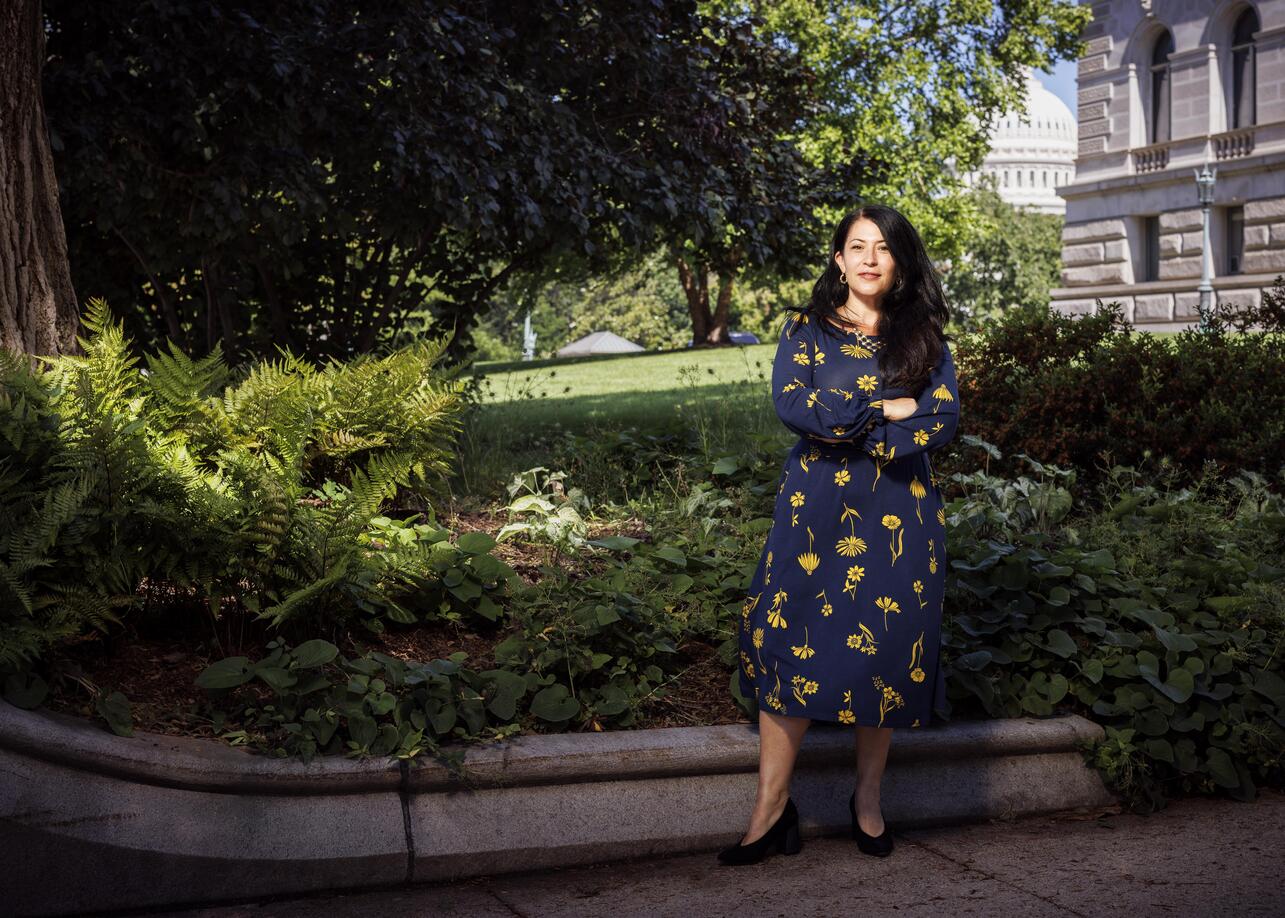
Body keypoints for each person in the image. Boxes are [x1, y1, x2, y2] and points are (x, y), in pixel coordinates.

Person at [718, 204, 960, 866]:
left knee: (882, 650)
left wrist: (849, 419)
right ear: (837, 259)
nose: (869, 258)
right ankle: (769, 812)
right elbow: (792, 406)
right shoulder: (804, 330)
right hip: (813, 513)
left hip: (900, 515)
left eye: (882, 247)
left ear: (899, 261)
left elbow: (940, 418)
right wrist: (884, 406)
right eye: (856, 246)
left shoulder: (923, 335)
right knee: (788, 641)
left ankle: (868, 801)